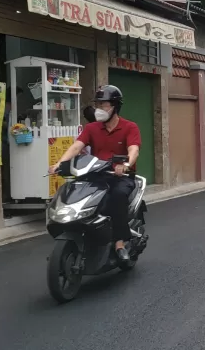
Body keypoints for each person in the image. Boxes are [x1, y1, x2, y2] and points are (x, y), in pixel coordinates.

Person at [50, 86, 141, 263]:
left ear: (115, 106)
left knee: (117, 196)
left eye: (104, 105)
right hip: (96, 175)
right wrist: (60, 163)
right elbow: (77, 147)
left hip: (120, 177)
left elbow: (134, 150)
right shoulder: (92, 128)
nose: (99, 109)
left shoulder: (130, 127)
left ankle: (119, 243)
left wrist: (125, 165)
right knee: (74, 190)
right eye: (98, 105)